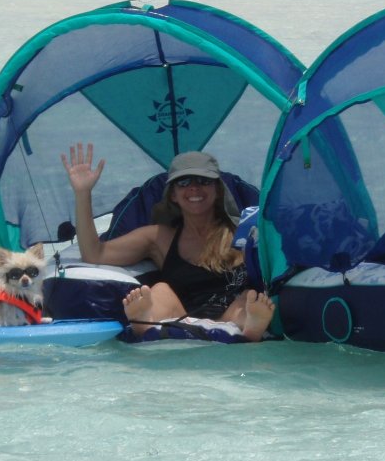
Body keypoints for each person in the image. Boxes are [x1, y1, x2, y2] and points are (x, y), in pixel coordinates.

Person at [60, 143, 274, 341]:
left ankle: (250, 330)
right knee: (160, 289)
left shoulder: (244, 232)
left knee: (248, 298)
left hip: (231, 316)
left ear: (218, 191)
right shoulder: (159, 237)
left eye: (203, 181)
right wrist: (82, 193)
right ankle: (143, 325)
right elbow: (94, 254)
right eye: (184, 182)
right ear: (172, 194)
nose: (194, 188)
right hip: (181, 316)